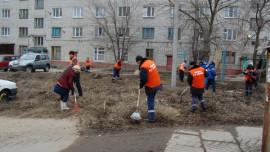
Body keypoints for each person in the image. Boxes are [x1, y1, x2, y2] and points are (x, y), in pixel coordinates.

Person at [136, 55, 163, 123]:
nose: (138, 64)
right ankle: (151, 115)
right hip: (158, 84)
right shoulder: (150, 62)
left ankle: (151, 118)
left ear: (139, 61)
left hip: (151, 86)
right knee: (151, 99)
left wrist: (140, 86)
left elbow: (144, 79)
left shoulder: (143, 67)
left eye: (137, 62)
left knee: (150, 100)